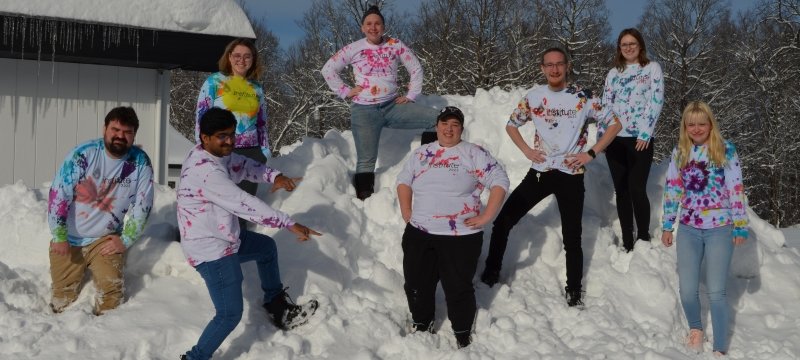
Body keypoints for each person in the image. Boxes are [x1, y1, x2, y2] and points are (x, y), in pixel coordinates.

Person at [480, 48, 622, 308]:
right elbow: (512, 124)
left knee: (572, 236)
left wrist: (591, 153)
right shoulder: (534, 97)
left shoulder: (584, 96)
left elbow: (615, 124)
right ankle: (491, 273)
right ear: (542, 68)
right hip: (541, 172)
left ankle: (574, 290)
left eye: (559, 64)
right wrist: (526, 150)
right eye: (549, 65)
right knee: (503, 221)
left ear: (567, 66)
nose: (554, 69)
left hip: (571, 174)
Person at [178, 107, 322, 360]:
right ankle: (194, 358)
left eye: (232, 134)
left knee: (266, 248)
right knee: (229, 315)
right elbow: (243, 203)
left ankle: (277, 307)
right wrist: (289, 224)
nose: (230, 141)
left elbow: (243, 165)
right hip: (212, 250)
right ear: (205, 138)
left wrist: (274, 175)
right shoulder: (204, 171)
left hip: (226, 236)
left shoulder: (217, 155)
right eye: (222, 136)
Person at [397, 106, 509, 348]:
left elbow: (499, 180)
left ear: (461, 129)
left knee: (458, 287)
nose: (449, 129)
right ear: (436, 126)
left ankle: (461, 332)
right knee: (416, 283)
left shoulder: (473, 153)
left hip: (460, 236)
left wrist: (487, 216)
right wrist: (406, 211)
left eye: (455, 125)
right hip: (420, 233)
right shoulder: (421, 153)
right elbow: (403, 181)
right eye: (444, 123)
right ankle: (422, 323)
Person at [322, 5, 438, 200]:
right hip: (364, 112)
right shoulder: (354, 48)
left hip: (393, 106)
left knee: (438, 119)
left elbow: (415, 68)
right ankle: (366, 200)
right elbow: (328, 70)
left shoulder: (395, 44)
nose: (373, 27)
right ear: (362, 27)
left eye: (377, 23)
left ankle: (429, 165)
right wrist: (345, 91)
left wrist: (411, 96)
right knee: (366, 161)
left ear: (383, 26)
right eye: (369, 24)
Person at [47, 106, 154, 315]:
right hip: (69, 238)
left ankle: (105, 333)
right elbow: (59, 194)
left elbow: (143, 205)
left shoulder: (140, 162)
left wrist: (125, 239)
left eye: (127, 132)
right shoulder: (83, 155)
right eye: (115, 129)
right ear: (105, 128)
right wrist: (59, 236)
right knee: (62, 298)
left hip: (104, 240)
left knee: (112, 290)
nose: (120, 136)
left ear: (134, 135)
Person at [660, 101, 748, 356]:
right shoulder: (680, 153)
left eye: (702, 123)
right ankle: (695, 329)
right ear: (685, 127)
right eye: (691, 124)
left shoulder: (725, 149)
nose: (697, 129)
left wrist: (740, 225)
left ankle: (720, 349)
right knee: (687, 290)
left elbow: (735, 188)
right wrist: (668, 225)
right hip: (688, 229)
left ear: (711, 124)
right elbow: (673, 189)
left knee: (717, 291)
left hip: (720, 228)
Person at [601, 28, 664, 252]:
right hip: (615, 139)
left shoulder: (651, 69)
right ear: (619, 48)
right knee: (622, 190)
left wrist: (646, 131)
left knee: (637, 187)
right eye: (624, 44)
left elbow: (656, 99)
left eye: (632, 43)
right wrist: (603, 136)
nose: (628, 47)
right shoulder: (613, 73)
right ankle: (628, 240)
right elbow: (605, 104)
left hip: (640, 139)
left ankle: (643, 238)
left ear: (640, 46)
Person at [196, 38, 269, 229]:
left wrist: (264, 152)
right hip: (221, 151)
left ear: (253, 59)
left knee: (243, 206)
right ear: (229, 57)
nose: (241, 60)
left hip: (251, 152)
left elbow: (262, 122)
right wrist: (202, 150)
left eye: (247, 56)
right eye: (237, 55)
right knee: (219, 204)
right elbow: (201, 118)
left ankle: (239, 249)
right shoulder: (214, 82)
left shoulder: (256, 88)